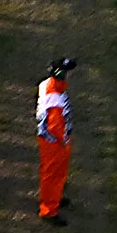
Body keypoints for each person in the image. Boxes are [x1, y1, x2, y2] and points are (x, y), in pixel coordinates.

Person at [36, 55, 74, 221]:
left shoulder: (47, 84)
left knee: (56, 174)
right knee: (52, 175)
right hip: (54, 142)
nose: (71, 75)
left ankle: (54, 198)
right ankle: (49, 210)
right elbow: (55, 126)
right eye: (68, 72)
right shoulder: (55, 100)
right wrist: (65, 140)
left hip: (51, 139)